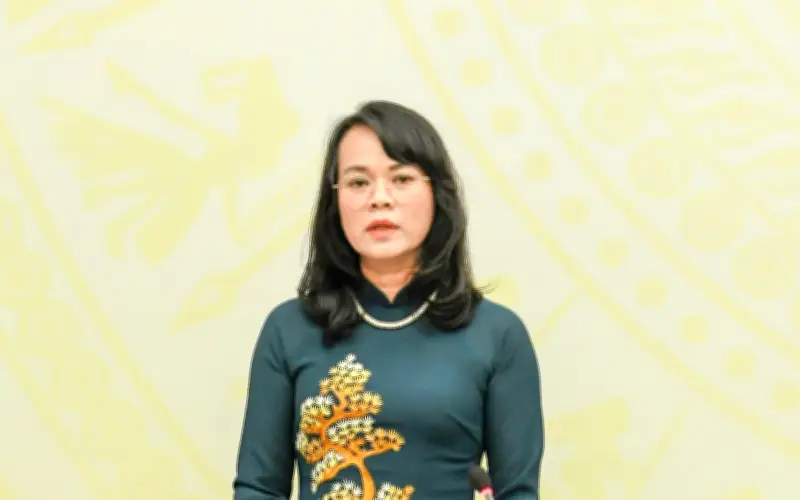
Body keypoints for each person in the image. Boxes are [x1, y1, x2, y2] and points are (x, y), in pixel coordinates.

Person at [232, 100, 545, 500]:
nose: (379, 198)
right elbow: (258, 488)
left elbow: (518, 492)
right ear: (335, 202)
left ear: (436, 193)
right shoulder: (290, 329)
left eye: (401, 178)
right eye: (358, 182)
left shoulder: (497, 335)